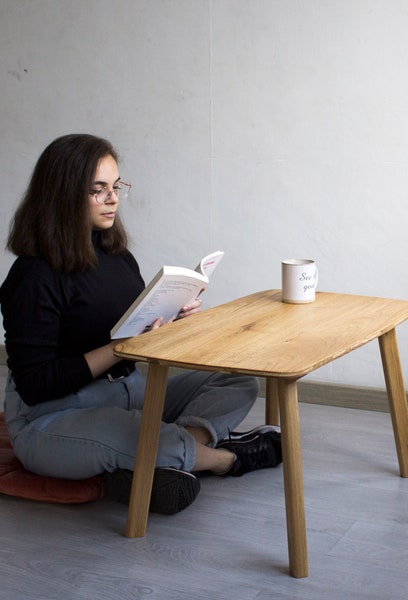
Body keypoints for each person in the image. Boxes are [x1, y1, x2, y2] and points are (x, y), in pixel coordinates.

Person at [0, 134, 281, 515]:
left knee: (237, 380)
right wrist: (123, 348)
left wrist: (172, 319)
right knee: (137, 435)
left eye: (116, 187)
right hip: (52, 415)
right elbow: (36, 385)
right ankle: (226, 460)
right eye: (97, 190)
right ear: (62, 195)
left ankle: (168, 455)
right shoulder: (32, 276)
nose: (112, 198)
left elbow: (131, 327)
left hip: (127, 388)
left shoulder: (114, 253)